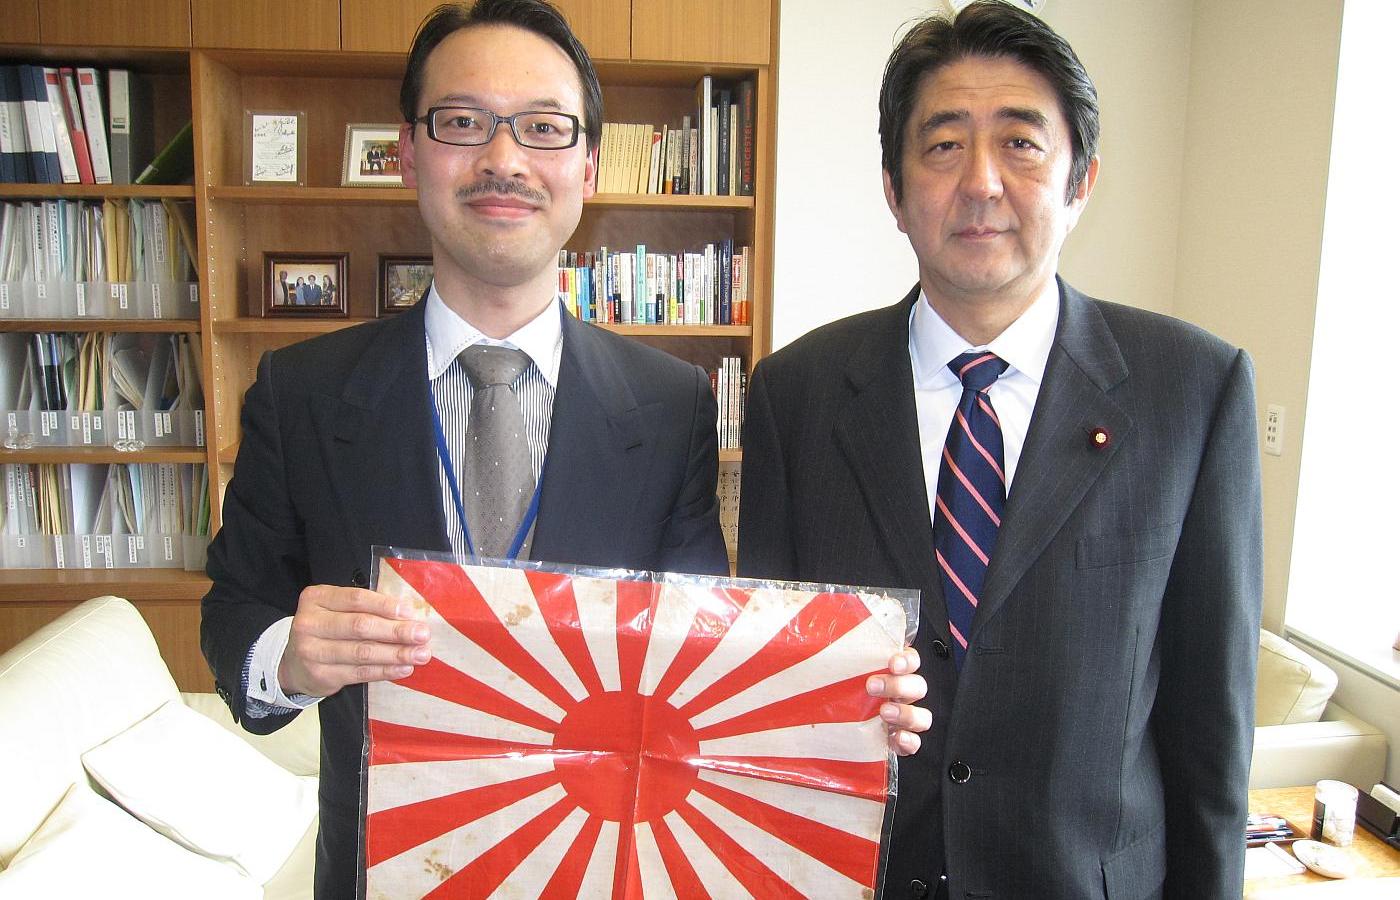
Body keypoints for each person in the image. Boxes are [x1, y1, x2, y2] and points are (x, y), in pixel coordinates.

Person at [201, 2, 927, 895]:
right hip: (384, 871)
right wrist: (289, 657)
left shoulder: (670, 406)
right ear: (410, 153)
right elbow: (232, 614)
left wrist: (844, 698)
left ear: (587, 165)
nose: (504, 160)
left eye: (543, 129)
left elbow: (699, 652)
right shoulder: (302, 392)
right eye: (462, 123)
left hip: (607, 865)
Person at [737, 3, 1262, 898]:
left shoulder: (1192, 391)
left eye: (1021, 143)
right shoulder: (797, 395)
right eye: (943, 146)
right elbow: (764, 697)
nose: (981, 181)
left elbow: (1212, 733)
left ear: (1080, 181)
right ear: (894, 191)